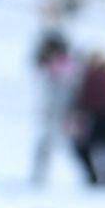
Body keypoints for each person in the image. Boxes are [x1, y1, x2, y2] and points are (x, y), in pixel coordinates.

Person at [70, 50, 105, 187]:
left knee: (92, 146)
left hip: (101, 116)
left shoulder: (93, 76)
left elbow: (84, 98)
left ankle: (100, 175)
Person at [28, 24, 73, 188]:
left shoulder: (64, 66)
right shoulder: (52, 67)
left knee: (51, 143)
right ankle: (39, 174)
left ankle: (40, 175)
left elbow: (66, 89)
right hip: (50, 111)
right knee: (45, 142)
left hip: (60, 112)